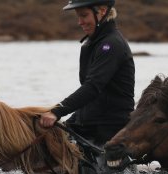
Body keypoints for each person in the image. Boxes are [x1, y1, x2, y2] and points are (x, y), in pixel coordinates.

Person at [39, 0, 135, 151]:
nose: (80, 22)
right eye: (78, 17)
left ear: (102, 11)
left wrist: (56, 111)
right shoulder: (92, 43)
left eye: (84, 15)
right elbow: (90, 95)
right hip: (88, 123)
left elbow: (92, 86)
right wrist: (69, 122)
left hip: (109, 128)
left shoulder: (110, 45)